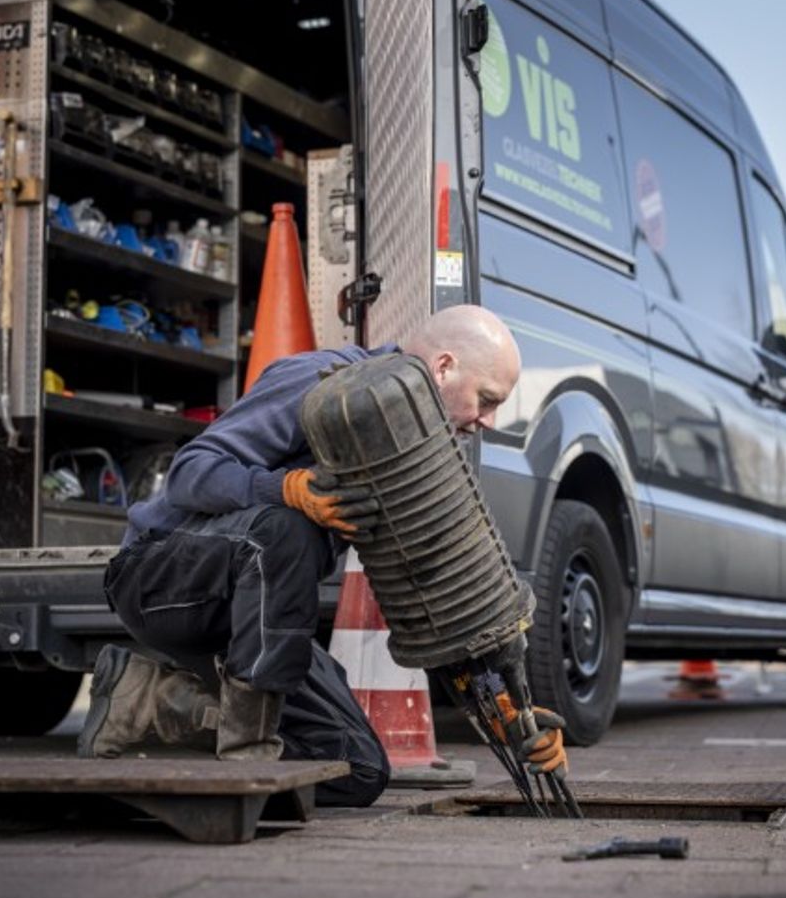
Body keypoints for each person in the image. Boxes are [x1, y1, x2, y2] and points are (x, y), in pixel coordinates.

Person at [77, 304, 562, 806]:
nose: (488, 420)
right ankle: (248, 758)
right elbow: (189, 472)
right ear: (443, 367)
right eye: (486, 400)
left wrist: (502, 708)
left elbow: (435, 597)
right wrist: (283, 487)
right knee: (284, 529)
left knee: (357, 768)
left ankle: (149, 702)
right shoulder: (324, 382)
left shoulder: (416, 454)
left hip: (258, 616)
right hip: (161, 580)